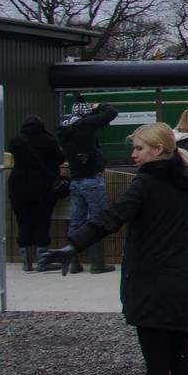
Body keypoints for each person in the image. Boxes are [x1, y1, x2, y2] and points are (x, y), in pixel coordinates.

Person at [39, 122, 188, 375]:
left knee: (156, 362)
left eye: (138, 148)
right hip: (184, 285)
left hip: (150, 286)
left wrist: (72, 246)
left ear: (157, 149)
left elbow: (110, 218)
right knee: (181, 357)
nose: (133, 154)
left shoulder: (145, 185)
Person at [58, 101, 118, 274]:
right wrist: (97, 106)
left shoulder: (64, 129)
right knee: (97, 220)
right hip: (92, 179)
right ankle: (97, 264)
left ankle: (73, 262)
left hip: (75, 181)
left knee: (76, 221)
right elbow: (111, 112)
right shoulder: (85, 124)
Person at [8, 115, 66, 272]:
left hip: (18, 187)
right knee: (42, 221)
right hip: (42, 187)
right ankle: (43, 260)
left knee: (23, 222)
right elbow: (60, 159)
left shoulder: (16, 141)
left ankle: (26, 262)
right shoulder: (49, 141)